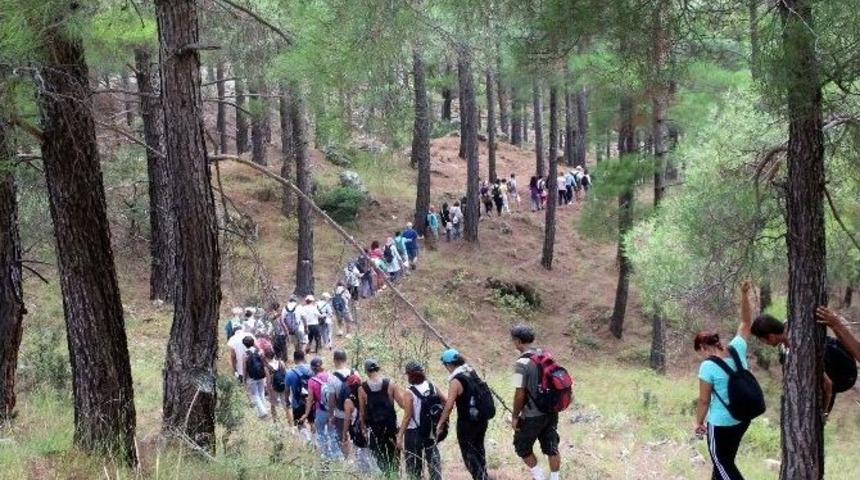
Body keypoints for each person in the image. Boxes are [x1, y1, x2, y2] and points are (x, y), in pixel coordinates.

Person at [694, 282, 754, 480]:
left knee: (722, 463)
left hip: (720, 423)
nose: (701, 356)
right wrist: (744, 294)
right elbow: (746, 322)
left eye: (699, 351)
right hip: (742, 419)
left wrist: (699, 422)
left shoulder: (707, 367)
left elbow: (703, 401)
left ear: (703, 347)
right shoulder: (737, 348)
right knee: (724, 462)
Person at [752, 304, 858, 412]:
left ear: (771, 336)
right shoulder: (791, 326)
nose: (764, 343)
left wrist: (824, 413)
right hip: (837, 356)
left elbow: (828, 386)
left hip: (846, 375)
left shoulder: (801, 352)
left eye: (762, 340)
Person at [510, 325, 561, 480]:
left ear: (518, 341)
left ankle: (538, 477)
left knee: (522, 446)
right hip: (551, 411)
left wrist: (515, 416)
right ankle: (554, 478)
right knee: (552, 447)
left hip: (532, 415)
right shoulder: (545, 355)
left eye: (513, 340)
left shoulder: (520, 364)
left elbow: (519, 393)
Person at [437, 349, 490, 480]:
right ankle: (484, 476)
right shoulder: (471, 371)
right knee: (479, 449)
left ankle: (480, 478)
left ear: (449, 364)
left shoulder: (456, 381)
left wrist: (441, 423)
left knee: (468, 453)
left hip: (467, 422)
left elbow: (449, 406)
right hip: (482, 419)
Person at [359, 358, 408, 478]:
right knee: (395, 460)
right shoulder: (390, 384)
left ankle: (387, 476)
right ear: (378, 369)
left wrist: (363, 429)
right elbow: (403, 405)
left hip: (375, 432)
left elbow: (362, 413)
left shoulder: (362, 389)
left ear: (366, 371)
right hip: (391, 430)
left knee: (380, 459)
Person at [403, 361, 445, 480]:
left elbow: (407, 416)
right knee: (434, 464)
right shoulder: (432, 386)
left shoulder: (409, 391)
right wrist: (442, 421)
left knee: (413, 467)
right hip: (430, 430)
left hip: (413, 432)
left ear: (410, 375)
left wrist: (400, 434)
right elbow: (446, 401)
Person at [304, 357, 340, 457]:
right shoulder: (331, 376)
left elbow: (310, 399)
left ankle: (325, 454)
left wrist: (306, 413)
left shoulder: (311, 381)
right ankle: (336, 455)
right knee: (332, 432)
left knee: (320, 432)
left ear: (313, 369)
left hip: (320, 410)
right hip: (332, 410)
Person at [327, 349, 358, 455]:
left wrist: (331, 416)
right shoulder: (355, 374)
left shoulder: (332, 378)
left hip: (341, 414)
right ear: (346, 359)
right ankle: (356, 457)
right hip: (355, 413)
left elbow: (331, 399)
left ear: (335, 360)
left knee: (343, 437)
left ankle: (346, 458)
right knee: (356, 437)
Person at [286, 350, 313, 434]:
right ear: (304, 357)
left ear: (294, 359)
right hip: (311, 400)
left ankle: (306, 440)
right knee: (312, 422)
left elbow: (287, 389)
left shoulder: (290, 373)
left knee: (300, 423)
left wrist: (286, 399)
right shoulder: (311, 369)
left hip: (297, 402)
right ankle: (315, 441)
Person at [244, 335, 269, 419]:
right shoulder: (259, 352)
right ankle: (265, 408)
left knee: (255, 394)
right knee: (261, 392)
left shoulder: (245, 355)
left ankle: (263, 412)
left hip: (252, 377)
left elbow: (244, 368)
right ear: (253, 343)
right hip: (261, 375)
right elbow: (263, 362)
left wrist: (244, 378)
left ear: (244, 345)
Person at [265, 349, 288, 423]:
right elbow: (285, 374)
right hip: (283, 385)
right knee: (285, 404)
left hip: (274, 387)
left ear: (266, 357)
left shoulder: (267, 367)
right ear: (274, 355)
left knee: (273, 405)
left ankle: (275, 421)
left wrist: (268, 390)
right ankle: (290, 421)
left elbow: (268, 380)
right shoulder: (281, 363)